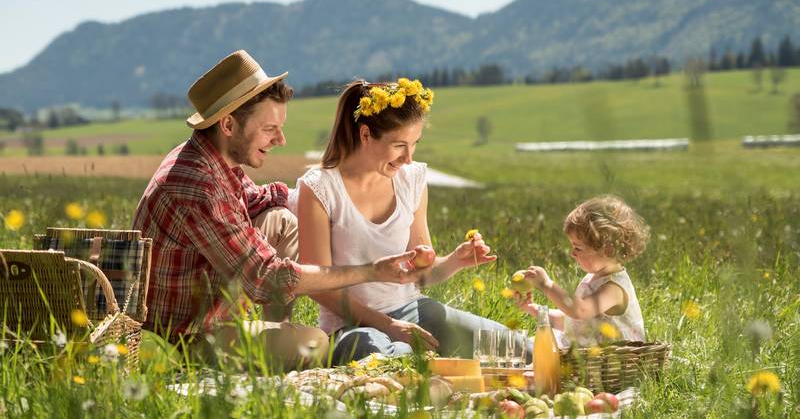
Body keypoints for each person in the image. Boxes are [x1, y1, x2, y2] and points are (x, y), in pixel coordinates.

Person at [132, 51, 426, 371]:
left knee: (282, 220)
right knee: (316, 345)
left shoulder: (211, 158)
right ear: (229, 124)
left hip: (205, 306)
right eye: (270, 128)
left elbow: (259, 199)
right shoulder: (198, 186)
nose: (281, 140)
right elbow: (267, 278)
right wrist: (371, 270)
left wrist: (331, 196)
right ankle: (253, 356)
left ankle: (277, 333)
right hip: (187, 336)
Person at [294, 78, 527, 364]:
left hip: (413, 310)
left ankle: (427, 361)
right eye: (399, 146)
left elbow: (422, 275)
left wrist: (456, 260)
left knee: (517, 349)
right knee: (373, 355)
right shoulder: (320, 187)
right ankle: (424, 363)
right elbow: (317, 285)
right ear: (365, 135)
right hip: (353, 326)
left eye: (414, 144)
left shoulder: (412, 179)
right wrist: (388, 325)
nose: (408, 158)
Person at [514, 195, 650, 347]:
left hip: (610, 364)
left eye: (578, 248)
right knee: (521, 347)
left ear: (608, 250)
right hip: (583, 360)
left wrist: (546, 284)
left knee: (524, 349)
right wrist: (534, 310)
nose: (572, 253)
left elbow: (580, 311)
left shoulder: (614, 288)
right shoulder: (593, 278)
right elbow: (573, 323)